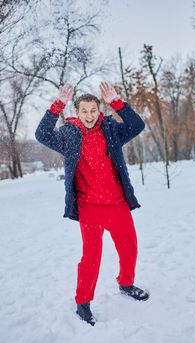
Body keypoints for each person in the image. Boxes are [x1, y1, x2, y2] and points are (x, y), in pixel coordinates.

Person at [35, 81, 149, 326]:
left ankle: (126, 284)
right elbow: (42, 135)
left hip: (117, 203)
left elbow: (137, 125)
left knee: (130, 248)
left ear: (100, 110)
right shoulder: (68, 134)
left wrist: (117, 102)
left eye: (93, 110)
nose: (89, 115)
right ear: (77, 112)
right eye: (84, 111)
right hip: (89, 208)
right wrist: (57, 105)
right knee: (91, 257)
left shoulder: (110, 128)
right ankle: (83, 303)